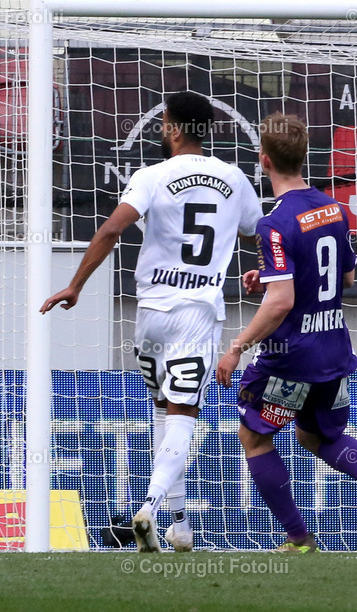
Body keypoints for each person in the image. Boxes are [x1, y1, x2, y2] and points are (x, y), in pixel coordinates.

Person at [42, 91, 262, 553]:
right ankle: (150, 506)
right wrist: (266, 271)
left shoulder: (151, 175)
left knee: (163, 412)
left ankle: (179, 527)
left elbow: (111, 229)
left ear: (176, 129)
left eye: (164, 123)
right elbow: (259, 231)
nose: (162, 129)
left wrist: (76, 285)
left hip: (150, 315)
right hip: (197, 315)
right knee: (183, 416)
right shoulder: (235, 178)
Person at [215, 113, 357, 552]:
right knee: (316, 434)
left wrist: (235, 349)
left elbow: (282, 302)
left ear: (263, 160)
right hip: (332, 349)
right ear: (305, 157)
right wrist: (268, 275)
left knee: (254, 435)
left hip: (290, 356)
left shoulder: (274, 223)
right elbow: (345, 279)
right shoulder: (335, 209)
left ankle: (300, 539)